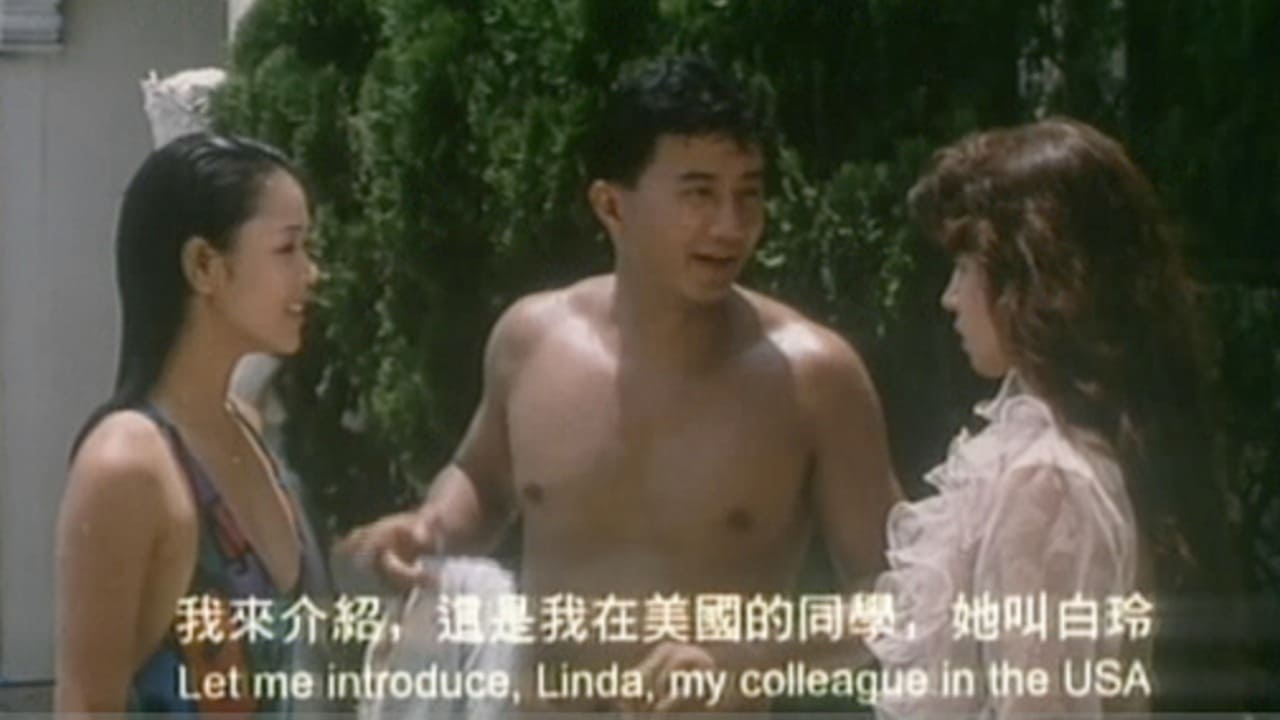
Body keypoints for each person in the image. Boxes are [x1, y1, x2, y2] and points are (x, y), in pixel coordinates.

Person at [339, 54, 902, 713]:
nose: (731, 225)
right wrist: (428, 527)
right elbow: (481, 480)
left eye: (749, 193)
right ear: (612, 205)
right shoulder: (532, 340)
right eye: (699, 193)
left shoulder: (811, 377)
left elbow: (901, 592)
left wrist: (751, 660)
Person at [868, 117, 1243, 717]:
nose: (949, 297)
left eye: (965, 266)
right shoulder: (1082, 448)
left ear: (1030, 275)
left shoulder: (1047, 477)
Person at [55, 132, 327, 715]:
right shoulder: (128, 466)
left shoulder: (244, 429)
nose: (312, 273)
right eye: (287, 248)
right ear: (205, 265)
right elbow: (85, 705)